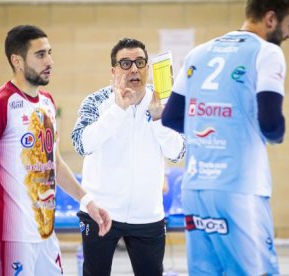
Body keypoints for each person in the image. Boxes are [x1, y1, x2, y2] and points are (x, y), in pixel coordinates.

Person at [161, 0, 289, 275]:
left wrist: (212, 127)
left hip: (195, 189)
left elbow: (170, 118)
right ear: (271, 19)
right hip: (240, 189)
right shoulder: (267, 52)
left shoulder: (198, 52)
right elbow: (272, 124)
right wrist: (276, 132)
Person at [0, 25, 111, 276]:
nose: (50, 61)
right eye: (41, 55)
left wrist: (87, 201)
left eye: (50, 53)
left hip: (45, 233)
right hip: (10, 237)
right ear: (17, 61)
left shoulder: (47, 102)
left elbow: (54, 162)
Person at [71, 37, 185, 276]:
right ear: (113, 71)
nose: (134, 68)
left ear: (147, 68)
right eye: (125, 63)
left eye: (140, 62)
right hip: (100, 213)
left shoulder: (163, 102)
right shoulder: (96, 101)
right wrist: (117, 111)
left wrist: (158, 120)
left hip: (148, 215)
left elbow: (178, 152)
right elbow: (82, 144)